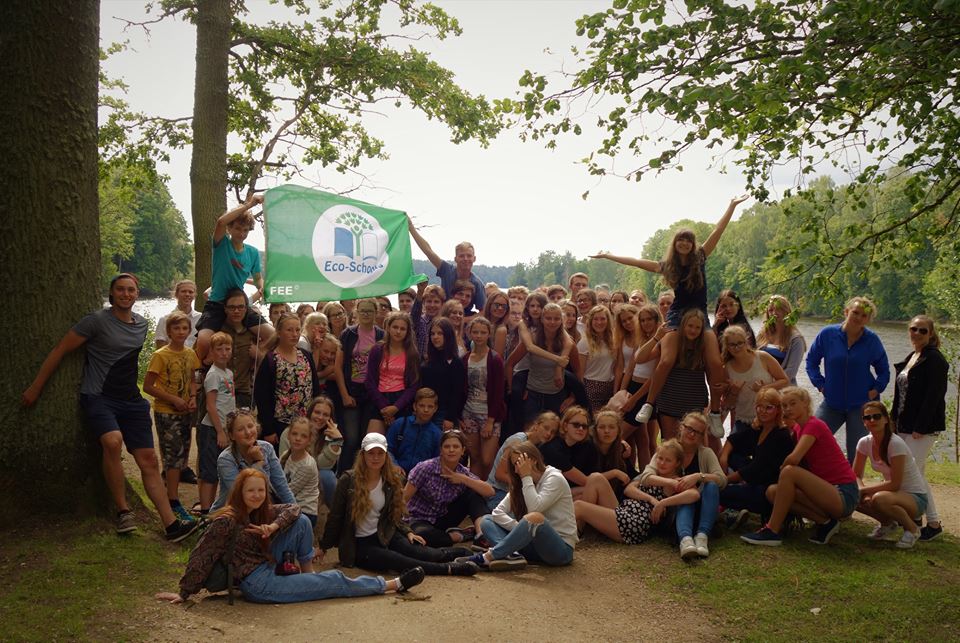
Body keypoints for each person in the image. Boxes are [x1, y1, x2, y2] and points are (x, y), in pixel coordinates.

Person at [21, 273, 198, 541]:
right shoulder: (96, 322)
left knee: (149, 460)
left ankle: (171, 525)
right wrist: (36, 387)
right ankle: (123, 512)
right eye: (120, 290)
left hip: (131, 402)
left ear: (136, 294)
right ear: (112, 293)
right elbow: (60, 349)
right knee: (113, 441)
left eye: (131, 290)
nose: (126, 294)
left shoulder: (141, 324)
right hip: (99, 397)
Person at [592, 196, 749, 437]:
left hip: (698, 315)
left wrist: (731, 206)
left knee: (715, 362)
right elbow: (635, 262)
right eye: (680, 240)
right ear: (675, 244)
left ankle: (715, 412)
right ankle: (649, 403)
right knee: (666, 360)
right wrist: (609, 256)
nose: (685, 243)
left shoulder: (701, 257)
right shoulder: (667, 266)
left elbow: (718, 230)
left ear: (693, 244)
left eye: (688, 240)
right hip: (677, 316)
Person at [157, 469, 425, 605]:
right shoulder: (226, 521)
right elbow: (202, 555)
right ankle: (391, 585)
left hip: (267, 559)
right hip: (255, 582)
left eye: (260, 490)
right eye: (250, 491)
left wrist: (272, 527)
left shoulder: (262, 510)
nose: (256, 495)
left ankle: (304, 574)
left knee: (300, 522)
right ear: (239, 492)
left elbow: (295, 509)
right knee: (332, 580)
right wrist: (184, 593)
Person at [321, 434, 478, 576]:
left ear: (386, 456)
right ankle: (451, 569)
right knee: (401, 562)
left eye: (380, 453)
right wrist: (323, 547)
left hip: (387, 531)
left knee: (426, 553)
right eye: (371, 453)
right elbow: (335, 515)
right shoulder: (348, 480)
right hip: (362, 543)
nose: (375, 458)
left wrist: (408, 531)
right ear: (362, 455)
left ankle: (468, 554)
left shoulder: (392, 479)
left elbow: (395, 512)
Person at [741, 387, 858, 546]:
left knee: (789, 472)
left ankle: (772, 530)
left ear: (805, 403)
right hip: (824, 492)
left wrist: (780, 471)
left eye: (793, 403)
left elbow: (794, 459)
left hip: (843, 493)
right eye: (785, 405)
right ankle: (826, 522)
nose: (788, 408)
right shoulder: (797, 428)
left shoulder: (814, 424)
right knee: (772, 492)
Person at [459, 443, 577, 570]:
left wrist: (526, 477)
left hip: (560, 550)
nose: (516, 470)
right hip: (534, 547)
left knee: (535, 518)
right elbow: (498, 512)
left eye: (518, 463)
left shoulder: (554, 478)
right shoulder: (522, 482)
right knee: (487, 520)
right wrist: (519, 528)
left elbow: (535, 509)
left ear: (533, 460)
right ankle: (512, 555)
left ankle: (489, 556)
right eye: (514, 465)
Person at [805, 296, 890, 462]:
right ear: (846, 312)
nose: (858, 318)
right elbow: (811, 361)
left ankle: (852, 486)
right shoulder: (828, 334)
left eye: (864, 316)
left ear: (868, 320)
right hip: (832, 403)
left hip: (860, 406)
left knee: (856, 452)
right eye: (855, 312)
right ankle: (815, 480)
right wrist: (820, 384)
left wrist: (876, 390)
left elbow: (884, 370)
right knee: (811, 439)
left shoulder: (871, 340)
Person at [194, 194, 273, 363]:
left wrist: (261, 287)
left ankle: (255, 360)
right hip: (217, 302)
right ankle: (200, 370)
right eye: (237, 228)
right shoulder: (221, 244)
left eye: (245, 230)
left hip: (240, 304)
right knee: (203, 340)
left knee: (272, 334)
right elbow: (221, 222)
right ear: (230, 229)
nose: (242, 233)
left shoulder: (252, 252)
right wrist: (250, 204)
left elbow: (258, 277)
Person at [638, 411, 726, 559]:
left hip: (702, 507)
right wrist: (674, 482)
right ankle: (685, 540)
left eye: (698, 432)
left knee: (711, 485)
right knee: (684, 495)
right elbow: (645, 476)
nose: (692, 434)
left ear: (702, 436)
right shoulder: (668, 448)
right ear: (681, 427)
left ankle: (702, 537)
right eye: (689, 429)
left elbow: (722, 480)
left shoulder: (705, 453)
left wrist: (698, 476)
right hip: (674, 508)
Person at [891, 314, 948, 541]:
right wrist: (894, 420)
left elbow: (934, 396)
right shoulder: (913, 356)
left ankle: (923, 520)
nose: (916, 333)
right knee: (918, 474)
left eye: (922, 330)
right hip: (905, 425)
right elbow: (900, 394)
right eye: (913, 329)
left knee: (909, 472)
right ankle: (929, 522)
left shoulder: (935, 359)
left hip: (922, 428)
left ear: (931, 334)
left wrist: (921, 427)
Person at [574, 440, 693, 545]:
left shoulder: (674, 481)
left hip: (635, 523)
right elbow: (629, 489)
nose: (662, 463)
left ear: (677, 463)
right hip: (623, 511)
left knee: (579, 506)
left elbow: (694, 494)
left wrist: (663, 503)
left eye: (668, 460)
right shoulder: (650, 475)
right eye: (660, 458)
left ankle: (570, 537)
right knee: (595, 478)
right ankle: (582, 530)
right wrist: (651, 499)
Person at [143, 311, 201, 524]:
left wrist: (193, 397)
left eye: (184, 328)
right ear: (168, 332)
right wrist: (172, 399)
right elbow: (148, 386)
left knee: (183, 454)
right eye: (176, 328)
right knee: (173, 457)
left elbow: (193, 379)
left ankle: (171, 496)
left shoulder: (189, 354)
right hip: (167, 412)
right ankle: (173, 501)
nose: (180, 332)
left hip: (186, 411)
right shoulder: (161, 355)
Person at [853, 401, 928, 549]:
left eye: (877, 416)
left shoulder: (895, 444)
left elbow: (895, 483)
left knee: (879, 499)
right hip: (893, 494)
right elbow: (855, 475)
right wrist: (862, 492)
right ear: (863, 422)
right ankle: (887, 524)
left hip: (915, 498)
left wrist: (865, 491)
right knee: (851, 494)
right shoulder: (864, 442)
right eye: (867, 418)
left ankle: (912, 529)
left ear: (886, 419)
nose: (872, 420)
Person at [718, 387, 794, 528]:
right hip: (756, 479)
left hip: (766, 490)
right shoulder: (761, 428)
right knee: (733, 456)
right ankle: (735, 500)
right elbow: (735, 439)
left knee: (719, 492)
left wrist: (723, 480)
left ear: (778, 410)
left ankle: (731, 512)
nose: (762, 411)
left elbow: (755, 469)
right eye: (759, 406)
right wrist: (724, 456)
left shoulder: (780, 435)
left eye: (768, 407)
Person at [403, 430, 495, 547]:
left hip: (443, 517)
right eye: (447, 446)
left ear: (462, 450)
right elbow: (403, 499)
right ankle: (458, 536)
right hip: (419, 519)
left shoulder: (462, 472)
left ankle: (482, 535)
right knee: (422, 536)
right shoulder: (424, 468)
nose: (451, 450)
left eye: (456, 447)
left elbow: (490, 492)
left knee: (473, 491)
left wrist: (463, 479)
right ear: (441, 450)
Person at [253, 313, 320, 449]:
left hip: (305, 424)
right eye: (289, 330)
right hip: (280, 425)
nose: (294, 334)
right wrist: (269, 429)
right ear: (278, 332)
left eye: (297, 330)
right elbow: (262, 396)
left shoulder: (306, 356)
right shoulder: (271, 360)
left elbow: (315, 388)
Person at [211, 408, 295, 512]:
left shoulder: (267, 448)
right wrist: (258, 463)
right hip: (234, 512)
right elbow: (244, 495)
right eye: (241, 429)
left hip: (262, 509)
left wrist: (295, 510)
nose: (248, 432)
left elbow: (281, 486)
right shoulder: (226, 459)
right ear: (232, 435)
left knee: (302, 520)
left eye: (250, 426)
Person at [339, 299, 384, 473]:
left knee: (367, 439)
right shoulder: (348, 334)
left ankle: (362, 476)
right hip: (352, 390)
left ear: (376, 313)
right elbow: (338, 366)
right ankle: (343, 475)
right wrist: (344, 394)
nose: (366, 314)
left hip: (372, 392)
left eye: (370, 311)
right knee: (350, 438)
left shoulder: (381, 335)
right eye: (362, 311)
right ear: (356, 312)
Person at [460, 317, 507, 479]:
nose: (479, 336)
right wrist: (460, 416)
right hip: (469, 413)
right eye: (475, 332)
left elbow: (499, 392)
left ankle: (489, 491)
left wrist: (490, 420)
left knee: (487, 459)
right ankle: (475, 495)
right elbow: (461, 390)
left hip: (489, 415)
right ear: (470, 334)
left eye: (483, 332)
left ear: (489, 334)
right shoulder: (465, 359)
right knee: (475, 457)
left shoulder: (495, 359)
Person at [407, 217, 486, 312]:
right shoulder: (447, 270)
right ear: (455, 259)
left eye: (469, 256)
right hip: (442, 316)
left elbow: (483, 312)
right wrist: (411, 227)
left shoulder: (477, 283)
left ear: (474, 259)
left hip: (462, 320)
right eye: (462, 256)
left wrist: (463, 320)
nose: (465, 259)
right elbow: (428, 251)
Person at [721, 325, 789, 434]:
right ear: (727, 347)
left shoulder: (762, 357)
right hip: (743, 419)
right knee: (733, 450)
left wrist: (764, 388)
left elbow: (784, 380)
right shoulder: (727, 368)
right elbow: (728, 403)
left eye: (740, 343)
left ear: (746, 342)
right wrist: (734, 392)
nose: (737, 347)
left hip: (769, 418)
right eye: (732, 344)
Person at [486, 411, 560, 510]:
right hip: (498, 491)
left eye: (553, 432)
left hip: (514, 493)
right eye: (546, 428)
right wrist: (525, 484)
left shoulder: (539, 447)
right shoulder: (518, 441)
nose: (548, 434)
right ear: (536, 425)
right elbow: (499, 474)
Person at [278, 396, 342, 508]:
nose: (320, 417)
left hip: (315, 478)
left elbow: (324, 467)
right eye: (317, 412)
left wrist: (336, 443)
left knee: (327, 477)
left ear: (330, 419)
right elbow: (285, 463)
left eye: (326, 415)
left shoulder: (330, 434)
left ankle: (337, 516)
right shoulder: (290, 432)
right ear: (309, 412)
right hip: (292, 475)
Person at [198, 332, 236, 514]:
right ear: (211, 352)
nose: (223, 353)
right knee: (209, 472)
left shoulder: (228, 373)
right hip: (212, 429)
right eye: (219, 349)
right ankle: (206, 511)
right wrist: (220, 431)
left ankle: (216, 509)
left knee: (221, 470)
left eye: (227, 349)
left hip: (224, 428)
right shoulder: (213, 375)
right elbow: (211, 406)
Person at [366, 311, 420, 435]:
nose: (398, 331)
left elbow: (414, 385)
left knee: (397, 445)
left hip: (401, 402)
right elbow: (369, 381)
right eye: (395, 327)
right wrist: (384, 408)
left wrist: (395, 408)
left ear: (407, 332)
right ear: (388, 328)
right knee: (372, 443)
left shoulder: (412, 353)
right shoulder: (377, 350)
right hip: (379, 400)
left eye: (402, 329)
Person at [538, 406, 598, 496]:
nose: (581, 429)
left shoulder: (585, 445)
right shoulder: (553, 448)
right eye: (576, 425)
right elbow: (585, 482)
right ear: (565, 426)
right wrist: (615, 473)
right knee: (593, 489)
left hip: (566, 492)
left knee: (592, 490)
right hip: (545, 494)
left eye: (584, 426)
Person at [419, 318, 466, 431]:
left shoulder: (455, 362)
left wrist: (450, 417)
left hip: (443, 414)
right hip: (425, 410)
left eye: (440, 333)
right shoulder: (427, 360)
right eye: (432, 334)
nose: (435, 337)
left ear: (448, 335)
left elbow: (457, 392)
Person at [387, 388, 443, 475]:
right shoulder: (400, 424)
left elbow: (437, 461)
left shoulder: (437, 434)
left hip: (422, 478)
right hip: (398, 472)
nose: (426, 410)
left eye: (430, 406)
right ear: (414, 406)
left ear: (435, 409)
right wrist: (394, 465)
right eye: (422, 405)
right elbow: (387, 449)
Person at [577, 305, 619, 413]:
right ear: (590, 321)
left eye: (603, 319)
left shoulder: (613, 341)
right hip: (591, 387)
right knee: (594, 423)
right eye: (595, 319)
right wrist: (580, 393)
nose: (599, 322)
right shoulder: (584, 342)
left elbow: (615, 367)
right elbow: (579, 373)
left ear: (608, 320)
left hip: (609, 386)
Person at [756, 295, 806, 385]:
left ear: (786, 311)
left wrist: (768, 385)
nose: (774, 313)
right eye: (771, 310)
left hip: (784, 392)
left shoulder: (796, 340)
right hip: (760, 389)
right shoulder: (762, 334)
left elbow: (791, 371)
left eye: (778, 309)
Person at [220, 289, 258, 408]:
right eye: (232, 307)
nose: (236, 311)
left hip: (244, 393)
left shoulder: (253, 334)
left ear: (246, 309)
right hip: (219, 392)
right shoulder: (217, 331)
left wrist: (259, 353)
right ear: (225, 309)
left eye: (240, 307)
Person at [280, 417, 320, 528]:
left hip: (305, 513)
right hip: (289, 506)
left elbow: (287, 492)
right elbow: (276, 479)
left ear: (309, 440)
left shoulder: (307, 465)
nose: (298, 438)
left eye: (303, 436)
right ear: (288, 435)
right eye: (294, 434)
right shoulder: (285, 455)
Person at [155, 279, 201, 349]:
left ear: (195, 295)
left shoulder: (201, 318)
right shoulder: (165, 320)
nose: (187, 294)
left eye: (190, 292)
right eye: (183, 291)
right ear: (176, 294)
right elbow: (160, 348)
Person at [411, 283, 446, 358]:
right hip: (418, 365)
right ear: (423, 303)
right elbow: (414, 316)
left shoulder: (445, 325)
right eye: (429, 301)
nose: (432, 305)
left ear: (442, 304)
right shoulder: (419, 321)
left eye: (436, 302)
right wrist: (420, 292)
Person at [483, 290, 511, 358]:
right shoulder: (482, 322)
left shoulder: (501, 330)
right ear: (489, 304)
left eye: (504, 306)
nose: (500, 308)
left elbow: (497, 358)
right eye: (497, 305)